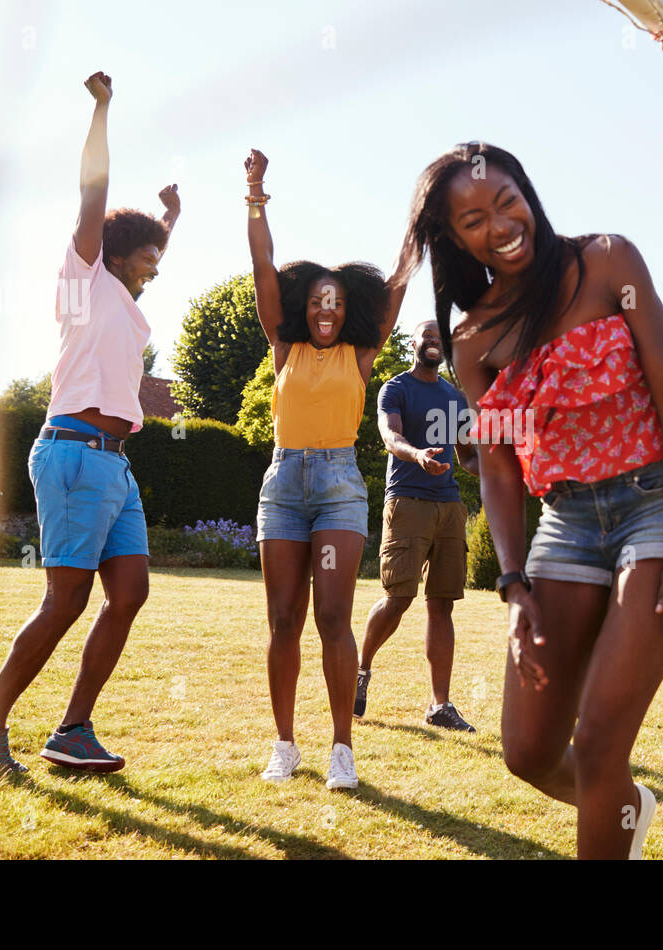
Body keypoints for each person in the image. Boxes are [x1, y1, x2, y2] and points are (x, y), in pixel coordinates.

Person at [394, 142, 663, 858]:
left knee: (600, 741)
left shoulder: (607, 263)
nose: (501, 222)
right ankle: (626, 808)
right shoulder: (474, 337)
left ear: (529, 193)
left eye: (507, 199)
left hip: (659, 503)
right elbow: (503, 471)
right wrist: (513, 586)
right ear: (453, 237)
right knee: (528, 753)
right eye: (474, 218)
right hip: (566, 524)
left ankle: (611, 798)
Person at [0, 71, 180, 776]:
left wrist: (171, 220)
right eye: (148, 256)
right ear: (112, 254)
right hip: (75, 452)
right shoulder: (83, 278)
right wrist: (103, 112)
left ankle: (73, 730)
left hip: (113, 462)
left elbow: (146, 244)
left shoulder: (123, 297)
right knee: (67, 598)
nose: (156, 269)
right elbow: (95, 198)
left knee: (130, 591)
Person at [244, 148, 403, 790]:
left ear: (346, 309)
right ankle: (285, 746)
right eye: (316, 301)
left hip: (338, 489)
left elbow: (396, 288)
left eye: (335, 302)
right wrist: (255, 192)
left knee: (332, 619)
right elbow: (260, 265)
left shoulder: (361, 357)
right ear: (302, 307)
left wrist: (415, 228)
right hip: (282, 489)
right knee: (282, 620)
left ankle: (342, 748)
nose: (326, 309)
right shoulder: (283, 348)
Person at [355, 319, 480, 731]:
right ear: (414, 342)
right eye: (427, 336)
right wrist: (417, 454)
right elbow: (390, 437)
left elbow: (467, 456)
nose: (433, 343)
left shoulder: (455, 398)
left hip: (448, 505)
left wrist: (501, 467)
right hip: (407, 501)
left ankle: (439, 705)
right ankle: (360, 670)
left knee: (442, 605)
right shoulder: (397, 388)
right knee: (398, 597)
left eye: (439, 338)